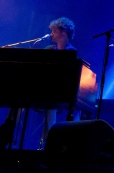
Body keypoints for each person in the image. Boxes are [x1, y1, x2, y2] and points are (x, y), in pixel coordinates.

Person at [1, 17, 78, 150]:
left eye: (54, 31)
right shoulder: (49, 49)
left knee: (50, 104)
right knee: (18, 98)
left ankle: (47, 144)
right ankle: (7, 134)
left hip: (56, 92)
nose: (51, 34)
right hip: (40, 89)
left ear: (63, 32)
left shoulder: (71, 53)